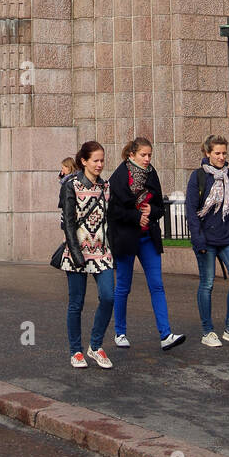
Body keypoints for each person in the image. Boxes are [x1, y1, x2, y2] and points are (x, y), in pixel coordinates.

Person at [108, 137, 185, 352]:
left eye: (149, 155)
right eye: (143, 155)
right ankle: (120, 332)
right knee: (123, 286)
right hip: (126, 238)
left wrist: (152, 211)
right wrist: (136, 217)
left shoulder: (152, 173)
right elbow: (113, 211)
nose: (147, 159)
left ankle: (166, 334)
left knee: (157, 285)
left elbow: (160, 205)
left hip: (147, 237)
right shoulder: (119, 176)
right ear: (131, 155)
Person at [185, 134, 229, 348]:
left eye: (224, 153)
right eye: (217, 153)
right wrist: (198, 240)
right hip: (206, 238)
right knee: (207, 283)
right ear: (207, 153)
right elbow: (192, 211)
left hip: (228, 236)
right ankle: (207, 331)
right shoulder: (198, 177)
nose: (221, 157)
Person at [58, 141, 115, 369]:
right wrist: (76, 252)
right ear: (84, 161)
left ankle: (96, 345)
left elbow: (108, 219)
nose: (100, 164)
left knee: (109, 297)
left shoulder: (106, 186)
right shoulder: (71, 185)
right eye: (96, 160)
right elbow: (69, 223)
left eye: (102, 160)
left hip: (101, 251)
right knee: (76, 303)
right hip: (77, 252)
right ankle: (76, 351)